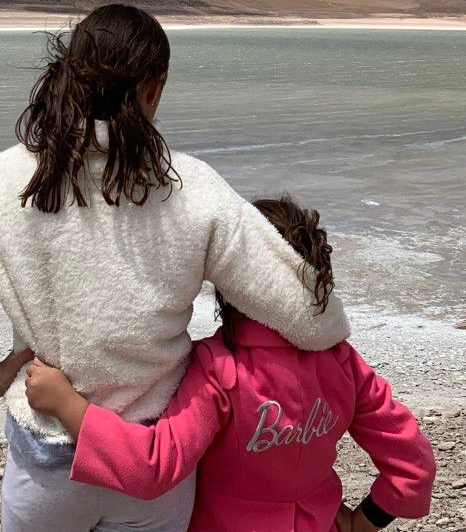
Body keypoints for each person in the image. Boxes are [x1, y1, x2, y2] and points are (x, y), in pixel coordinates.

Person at [0, 4, 350, 532]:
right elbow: (310, 315)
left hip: (48, 470)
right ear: (153, 89)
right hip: (155, 461)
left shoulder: (2, 182)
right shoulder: (193, 190)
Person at [25, 196, 435, 532]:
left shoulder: (219, 367)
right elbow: (414, 466)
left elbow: (154, 467)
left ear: (231, 278)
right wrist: (364, 521)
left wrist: (67, 404)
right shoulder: (343, 362)